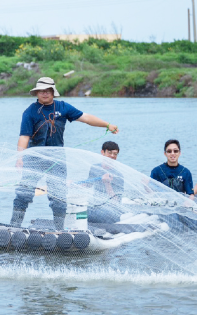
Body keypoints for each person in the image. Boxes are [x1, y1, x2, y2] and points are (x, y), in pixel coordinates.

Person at [11, 77, 118, 229]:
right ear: (37, 93)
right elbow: (24, 137)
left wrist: (107, 125)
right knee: (24, 193)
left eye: (48, 90)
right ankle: (14, 226)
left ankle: (59, 230)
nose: (45, 93)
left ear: (53, 92)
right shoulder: (30, 112)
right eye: (41, 90)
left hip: (57, 159)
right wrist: (19, 158)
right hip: (34, 158)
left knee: (59, 197)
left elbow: (86, 118)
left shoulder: (63, 107)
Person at [86, 141, 125, 224]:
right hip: (96, 208)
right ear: (102, 152)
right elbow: (88, 184)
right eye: (109, 152)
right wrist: (72, 184)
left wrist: (107, 184)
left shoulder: (118, 175)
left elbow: (116, 201)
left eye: (115, 154)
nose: (112, 156)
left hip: (112, 212)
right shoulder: (95, 168)